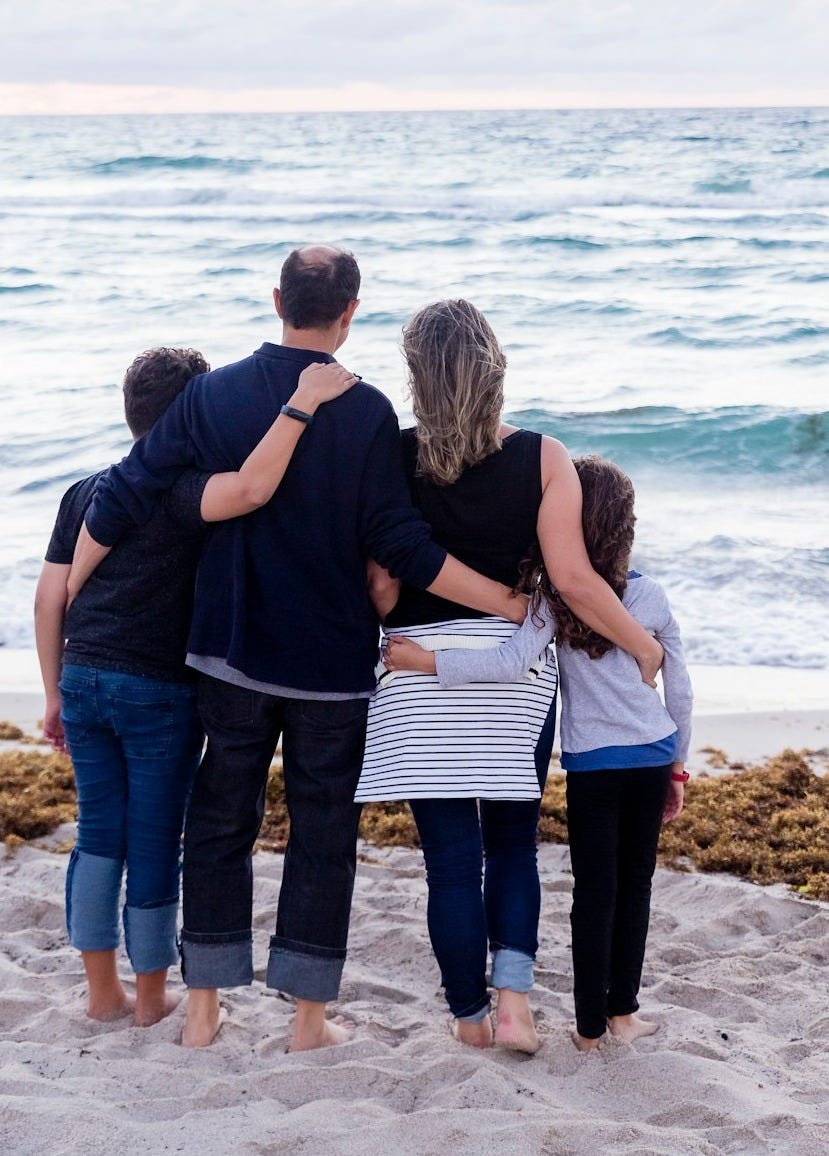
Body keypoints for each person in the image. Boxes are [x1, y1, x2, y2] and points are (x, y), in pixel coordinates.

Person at [71, 247, 530, 1052]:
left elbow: (128, 490)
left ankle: (203, 1009)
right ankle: (307, 1023)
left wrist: (73, 589)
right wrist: (506, 602)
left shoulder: (211, 394)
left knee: (219, 825)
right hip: (330, 664)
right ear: (350, 312)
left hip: (229, 652)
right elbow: (399, 543)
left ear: (277, 299)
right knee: (322, 837)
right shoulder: (366, 410)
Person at [354, 301, 664, 1054]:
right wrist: (641, 647)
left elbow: (381, 590)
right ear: (494, 367)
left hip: (418, 672)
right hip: (513, 674)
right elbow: (573, 580)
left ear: (417, 376)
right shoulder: (544, 456)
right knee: (513, 845)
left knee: (451, 862)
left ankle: (469, 1018)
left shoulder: (391, 456)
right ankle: (516, 1004)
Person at [35, 347, 358, 1026]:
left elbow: (49, 598)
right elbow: (252, 488)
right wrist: (302, 404)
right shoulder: (185, 493)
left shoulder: (85, 491)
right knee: (155, 841)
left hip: (83, 678)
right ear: (195, 415)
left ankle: (101, 994)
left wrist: (53, 694)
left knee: (99, 835)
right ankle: (152, 999)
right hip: (157, 692)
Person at [382, 455, 692, 1052]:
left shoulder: (554, 600)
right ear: (626, 526)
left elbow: (508, 663)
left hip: (592, 765)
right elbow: (679, 688)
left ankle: (587, 1030)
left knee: (593, 892)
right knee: (636, 886)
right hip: (653, 756)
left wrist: (424, 660)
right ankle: (623, 1013)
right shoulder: (650, 595)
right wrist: (678, 763)